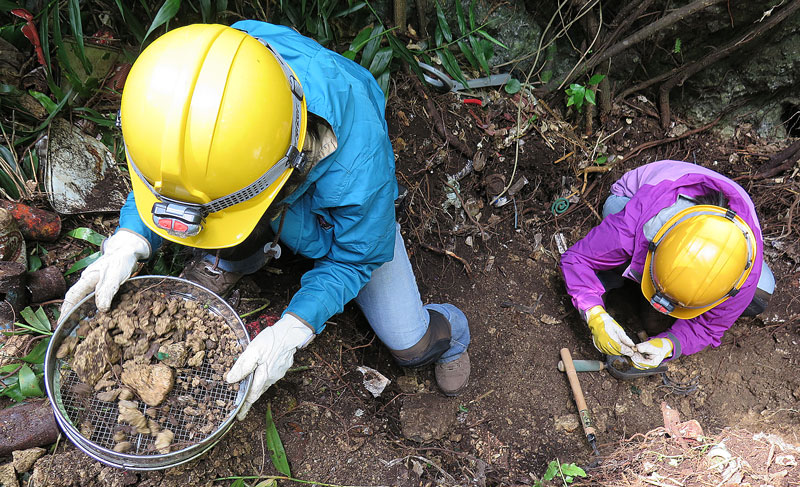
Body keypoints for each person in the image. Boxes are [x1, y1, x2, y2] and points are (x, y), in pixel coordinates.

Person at [59, 22, 471, 419]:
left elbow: (354, 258)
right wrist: (131, 237)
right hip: (261, 186)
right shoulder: (209, 65)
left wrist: (295, 327)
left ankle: (451, 332)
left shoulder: (360, 169)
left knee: (408, 345)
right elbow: (174, 182)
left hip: (337, 212)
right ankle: (238, 252)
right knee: (223, 217)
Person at [560, 160, 774, 370]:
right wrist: (594, 312)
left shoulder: (743, 281)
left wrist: (671, 344)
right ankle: (613, 277)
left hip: (723, 233)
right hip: (634, 196)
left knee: (764, 289)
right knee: (616, 239)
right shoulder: (634, 226)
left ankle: (655, 289)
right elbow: (577, 258)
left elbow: (709, 327)